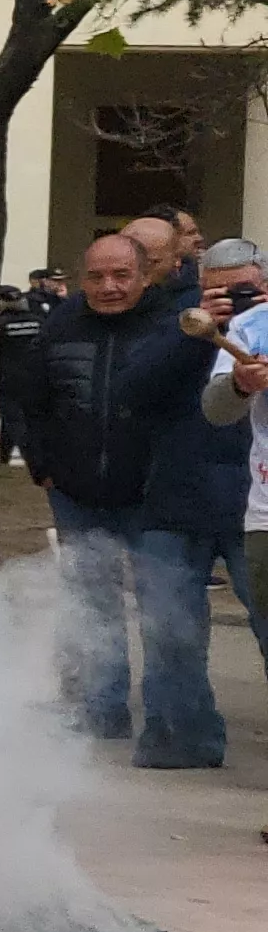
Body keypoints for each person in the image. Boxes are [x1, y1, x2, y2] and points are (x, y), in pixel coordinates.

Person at [6, 228, 236, 767]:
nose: (108, 286)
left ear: (145, 275)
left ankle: (180, 734)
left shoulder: (177, 325)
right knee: (90, 608)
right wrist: (42, 465)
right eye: (95, 276)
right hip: (77, 492)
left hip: (156, 497)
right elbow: (27, 400)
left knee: (169, 617)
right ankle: (97, 712)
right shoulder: (59, 326)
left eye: (121, 276)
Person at [197, 242, 268, 691]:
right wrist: (240, 386)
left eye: (243, 288)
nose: (233, 298)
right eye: (220, 290)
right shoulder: (247, 327)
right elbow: (216, 410)